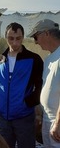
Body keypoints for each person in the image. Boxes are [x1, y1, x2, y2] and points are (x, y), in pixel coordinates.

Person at [0, 22, 43, 148]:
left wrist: (28, 103)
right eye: (11, 38)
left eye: (18, 38)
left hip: (24, 117)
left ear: (23, 37)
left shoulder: (34, 59)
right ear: (6, 38)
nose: (14, 42)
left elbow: (40, 85)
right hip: (3, 118)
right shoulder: (0, 59)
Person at [28, 19, 60, 147]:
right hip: (48, 120)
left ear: (46, 33)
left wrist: (58, 122)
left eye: (36, 36)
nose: (35, 42)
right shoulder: (48, 59)